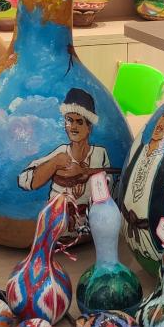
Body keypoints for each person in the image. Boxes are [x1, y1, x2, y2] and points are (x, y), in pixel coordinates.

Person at [17, 87, 112, 236]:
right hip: (56, 229)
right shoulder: (61, 153)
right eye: (69, 120)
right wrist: (54, 163)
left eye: (79, 122)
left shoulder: (100, 154)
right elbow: (25, 181)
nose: (73, 127)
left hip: (88, 228)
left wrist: (88, 174)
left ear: (89, 128)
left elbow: (109, 191)